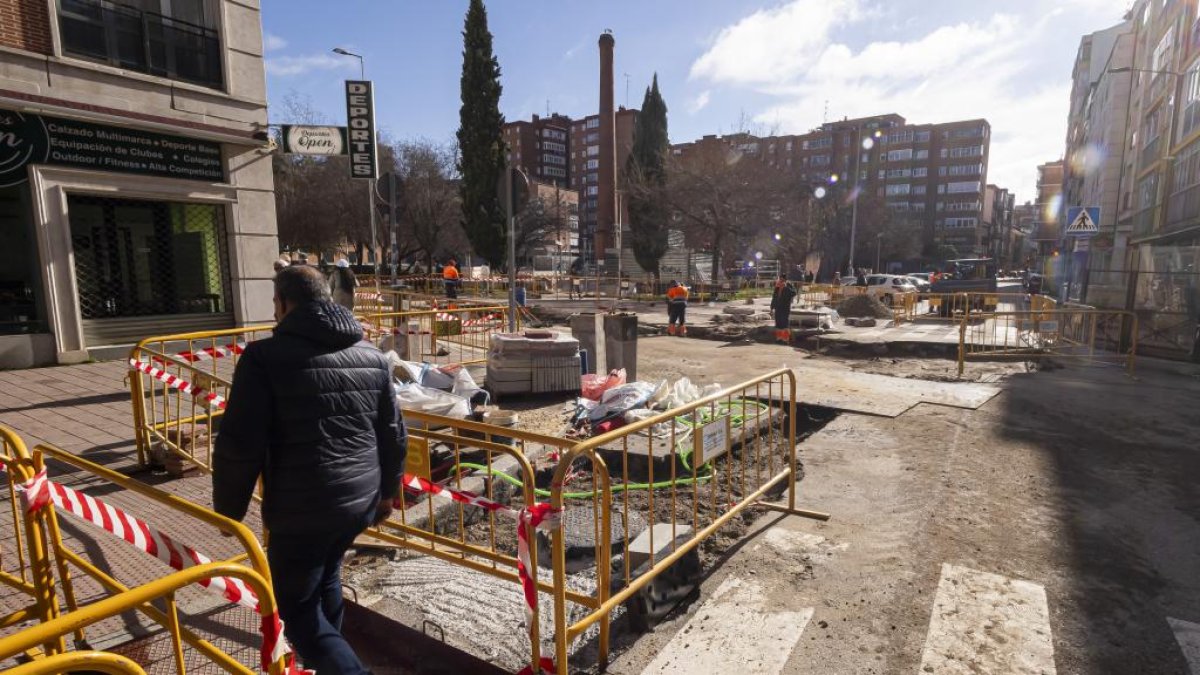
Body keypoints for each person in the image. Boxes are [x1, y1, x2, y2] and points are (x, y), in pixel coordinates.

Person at [212, 266, 406, 674]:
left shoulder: (264, 358)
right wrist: (388, 491)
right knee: (326, 576)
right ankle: (327, 664)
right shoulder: (370, 355)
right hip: (359, 500)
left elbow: (239, 442)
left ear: (283, 303)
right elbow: (392, 432)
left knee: (297, 611)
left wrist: (228, 510)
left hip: (303, 510)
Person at [770, 275, 797, 344]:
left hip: (785, 308)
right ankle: (779, 338)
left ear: (785, 280)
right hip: (778, 307)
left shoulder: (788, 286)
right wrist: (772, 307)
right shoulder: (777, 287)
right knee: (778, 323)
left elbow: (794, 293)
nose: (780, 281)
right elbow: (774, 297)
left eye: (782, 280)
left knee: (784, 323)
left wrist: (785, 287)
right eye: (780, 279)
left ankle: (785, 339)